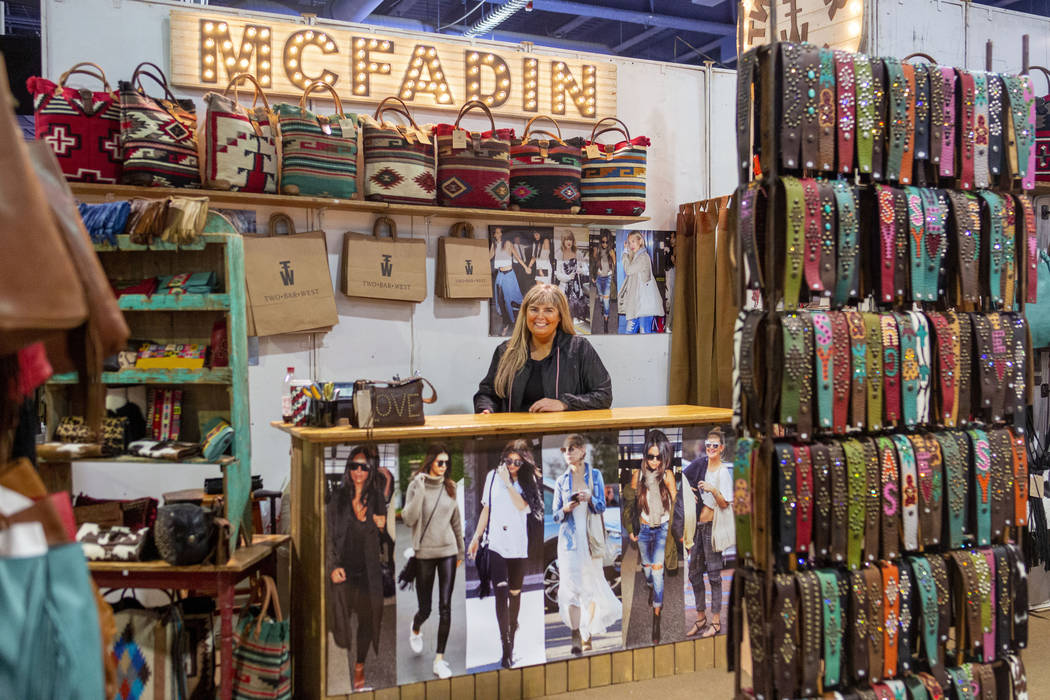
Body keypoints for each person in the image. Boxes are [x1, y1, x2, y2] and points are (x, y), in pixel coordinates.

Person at [474, 283, 612, 414]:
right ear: (525, 314)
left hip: (563, 436)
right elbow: (487, 394)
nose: (540, 316)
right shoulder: (505, 351)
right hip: (516, 436)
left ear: (560, 316)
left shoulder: (579, 349)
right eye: (534, 309)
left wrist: (564, 403)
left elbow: (604, 395)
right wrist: (486, 409)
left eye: (548, 310)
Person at [467, 439, 543, 668]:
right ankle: (506, 646)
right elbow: (486, 509)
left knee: (514, 593)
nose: (512, 466)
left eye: (517, 462)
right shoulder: (492, 477)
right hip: (497, 544)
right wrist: (476, 537)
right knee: (500, 592)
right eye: (509, 461)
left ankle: (513, 625)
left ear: (524, 462)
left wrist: (508, 483)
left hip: (518, 546)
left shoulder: (528, 481)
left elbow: (522, 507)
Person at [551, 434, 621, 655]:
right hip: (569, 542)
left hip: (590, 539)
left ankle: (586, 632)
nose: (568, 453)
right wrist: (566, 509)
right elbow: (555, 515)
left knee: (589, 588)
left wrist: (590, 498)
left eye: (572, 449)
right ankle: (575, 634)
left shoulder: (596, 475)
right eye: (565, 450)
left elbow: (601, 507)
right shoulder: (561, 481)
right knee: (571, 588)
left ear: (582, 450)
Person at [326, 445, 387, 692]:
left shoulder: (376, 498)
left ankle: (359, 666)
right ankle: (337, 661)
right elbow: (328, 536)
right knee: (339, 619)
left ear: (370, 470)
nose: (359, 471)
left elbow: (383, 541)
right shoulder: (338, 498)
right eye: (354, 466)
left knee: (366, 620)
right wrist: (331, 567)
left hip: (367, 572)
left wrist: (381, 527)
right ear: (348, 468)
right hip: (343, 570)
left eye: (364, 467)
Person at [402, 443, 464, 679]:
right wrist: (418, 489)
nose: (444, 466)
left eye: (446, 463)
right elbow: (409, 518)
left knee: (445, 607)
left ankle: (439, 659)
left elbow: (456, 522)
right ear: (430, 462)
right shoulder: (415, 485)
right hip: (425, 554)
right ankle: (416, 627)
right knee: (426, 608)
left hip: (447, 551)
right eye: (440, 462)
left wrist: (459, 551)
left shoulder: (450, 487)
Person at [678, 429, 733, 638]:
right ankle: (701, 619)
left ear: (722, 448)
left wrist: (712, 490)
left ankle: (716, 622)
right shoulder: (700, 464)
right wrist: (689, 491)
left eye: (715, 445)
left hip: (712, 529)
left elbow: (725, 504)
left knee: (714, 576)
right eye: (708, 444)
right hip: (697, 529)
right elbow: (681, 476)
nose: (710, 448)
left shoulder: (723, 472)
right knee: (693, 573)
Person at [628, 429, 677, 645]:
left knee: (657, 573)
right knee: (647, 569)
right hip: (645, 529)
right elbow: (630, 503)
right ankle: (651, 588)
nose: (655, 461)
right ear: (645, 455)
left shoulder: (667, 475)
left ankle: (656, 617)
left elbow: (676, 503)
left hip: (662, 529)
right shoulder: (637, 476)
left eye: (659, 457)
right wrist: (631, 528)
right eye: (651, 456)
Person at [619, 231, 662, 334]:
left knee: (644, 333)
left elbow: (628, 270)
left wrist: (625, 253)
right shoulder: (637, 257)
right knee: (630, 333)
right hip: (637, 306)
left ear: (641, 241)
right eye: (629, 242)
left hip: (644, 306)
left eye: (633, 241)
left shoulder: (643, 257)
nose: (631, 245)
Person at [490, 227, 530, 335]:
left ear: (502, 234)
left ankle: (520, 321)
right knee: (500, 299)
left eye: (499, 232)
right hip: (500, 275)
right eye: (495, 233)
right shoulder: (494, 244)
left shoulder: (507, 243)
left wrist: (526, 267)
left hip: (509, 275)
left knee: (513, 299)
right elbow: (490, 256)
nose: (497, 234)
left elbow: (517, 257)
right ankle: (506, 322)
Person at [554, 231, 588, 324]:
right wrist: (568, 277)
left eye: (570, 239)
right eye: (566, 240)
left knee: (573, 318)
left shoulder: (578, 253)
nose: (568, 242)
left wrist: (579, 270)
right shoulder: (559, 253)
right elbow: (558, 274)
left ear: (573, 241)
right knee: (563, 317)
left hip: (576, 290)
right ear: (563, 241)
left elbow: (585, 270)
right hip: (564, 289)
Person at [591, 231, 616, 333]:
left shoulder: (611, 251)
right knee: (601, 297)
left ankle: (606, 320)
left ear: (609, 242)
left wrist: (613, 257)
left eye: (606, 242)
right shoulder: (597, 250)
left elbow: (614, 266)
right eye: (603, 242)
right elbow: (593, 264)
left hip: (608, 278)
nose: (604, 244)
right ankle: (602, 306)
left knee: (606, 300)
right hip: (599, 278)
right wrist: (593, 276)